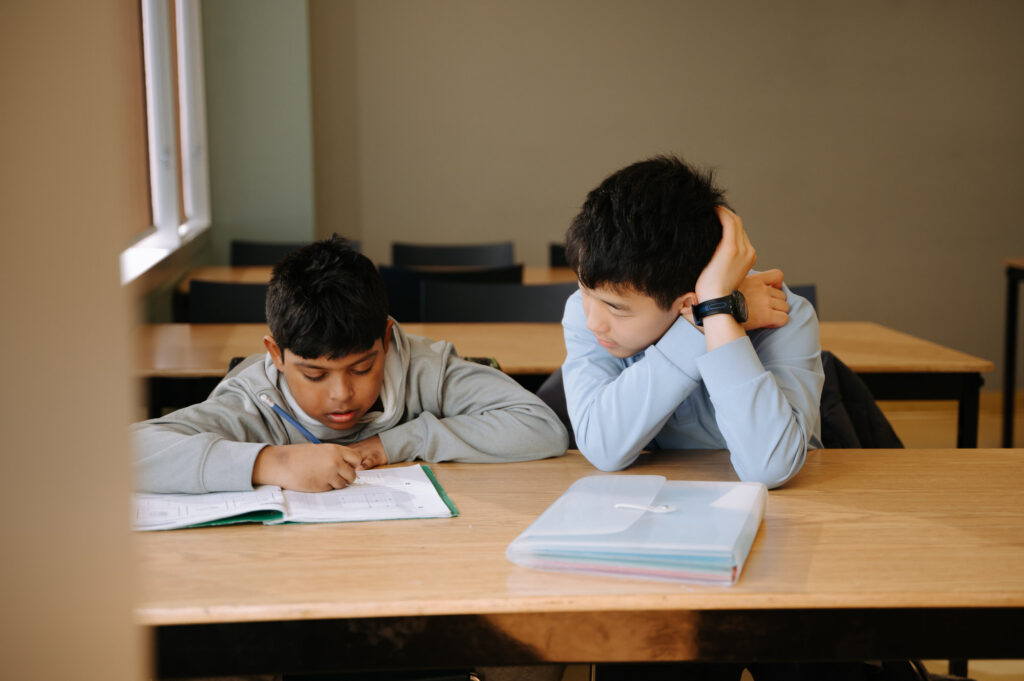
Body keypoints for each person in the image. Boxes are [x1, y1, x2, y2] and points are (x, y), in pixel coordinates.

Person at [134, 236, 568, 494]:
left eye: (361, 368)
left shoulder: (425, 369)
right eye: (314, 374)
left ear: (386, 340)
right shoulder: (252, 401)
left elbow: (541, 427)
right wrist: (272, 463)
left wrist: (396, 442)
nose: (341, 394)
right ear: (276, 355)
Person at [561, 155, 823, 489]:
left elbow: (770, 467)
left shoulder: (782, 313)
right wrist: (706, 317)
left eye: (617, 309)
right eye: (584, 291)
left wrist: (715, 309)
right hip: (650, 501)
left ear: (685, 302)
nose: (593, 322)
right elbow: (603, 447)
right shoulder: (585, 310)